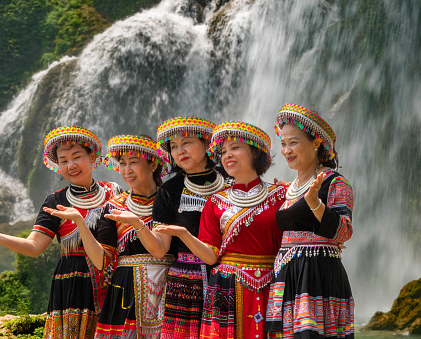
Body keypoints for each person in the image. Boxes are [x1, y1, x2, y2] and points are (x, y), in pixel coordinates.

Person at [0, 126, 122, 338]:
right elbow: (34, 246)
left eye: (76, 157)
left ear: (92, 157)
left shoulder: (115, 192)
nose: (71, 165)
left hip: (114, 279)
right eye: (63, 160)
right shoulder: (55, 201)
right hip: (73, 284)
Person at [155, 121, 285, 339]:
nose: (227, 155)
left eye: (235, 148)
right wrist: (184, 235)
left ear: (257, 152)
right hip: (226, 287)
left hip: (270, 284)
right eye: (223, 151)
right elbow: (211, 254)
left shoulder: (281, 195)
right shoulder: (215, 202)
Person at [45, 134, 174, 339]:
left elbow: (160, 250)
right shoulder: (114, 206)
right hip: (126, 289)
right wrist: (80, 222)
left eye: (133, 163)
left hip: (168, 286)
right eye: (122, 164)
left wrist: (136, 223)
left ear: (153, 165)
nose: (127, 170)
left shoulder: (169, 198)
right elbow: (101, 261)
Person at [265, 104, 354, 339]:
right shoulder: (289, 188)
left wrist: (315, 203)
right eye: (283, 143)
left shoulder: (334, 183)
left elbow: (344, 232)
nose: (286, 150)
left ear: (316, 143)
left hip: (318, 275)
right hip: (288, 275)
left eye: (293, 142)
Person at [150, 116, 227, 339]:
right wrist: (137, 225)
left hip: (227, 275)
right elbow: (160, 247)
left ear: (206, 144)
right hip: (186, 280)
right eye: (174, 146)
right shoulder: (169, 190)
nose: (180, 151)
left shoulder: (231, 179)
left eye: (187, 143)